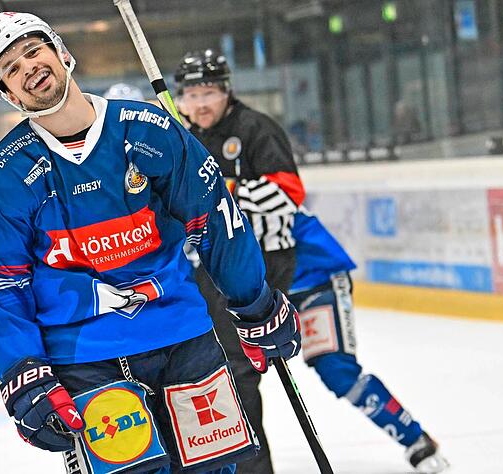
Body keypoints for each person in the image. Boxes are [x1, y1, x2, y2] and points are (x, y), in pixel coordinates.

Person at [0, 12, 301, 474]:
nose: (27, 67)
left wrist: (255, 302)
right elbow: (0, 286)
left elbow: (216, 220)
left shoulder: (148, 129)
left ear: (62, 53)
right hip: (84, 362)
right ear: (6, 93)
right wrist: (23, 372)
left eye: (32, 51)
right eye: (10, 68)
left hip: (184, 340)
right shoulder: (1, 178)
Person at [174, 49, 305, 474]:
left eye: (208, 92)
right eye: (191, 95)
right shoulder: (186, 138)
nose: (200, 104)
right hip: (213, 271)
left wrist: (222, 191)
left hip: (262, 266)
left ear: (227, 90)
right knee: (219, 371)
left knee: (238, 370)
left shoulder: (254, 128)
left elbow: (289, 193)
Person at [289, 208, 449, 473]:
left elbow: (285, 189)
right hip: (261, 293)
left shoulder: (248, 175)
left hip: (314, 281)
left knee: (338, 372)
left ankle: (414, 438)